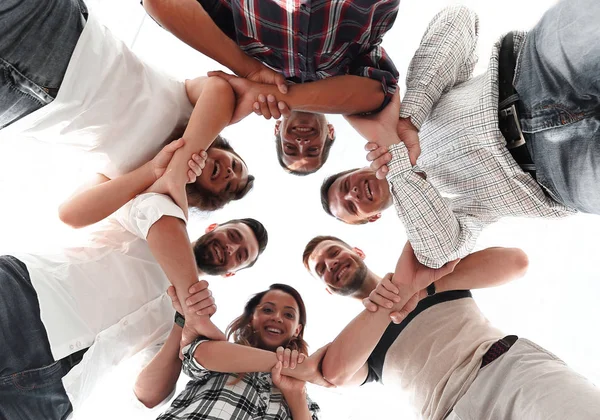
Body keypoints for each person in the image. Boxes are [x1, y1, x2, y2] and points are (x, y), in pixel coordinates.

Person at [0, 144, 268, 420]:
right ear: (214, 227)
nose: (231, 249)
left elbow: (147, 397)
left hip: (55, 393)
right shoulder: (165, 213)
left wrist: (182, 321)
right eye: (234, 236)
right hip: (24, 301)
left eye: (242, 255)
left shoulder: (188, 321)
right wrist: (191, 305)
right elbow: (154, 211)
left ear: (231, 273)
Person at [322, 2, 600, 268]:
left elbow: (459, 19)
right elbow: (441, 252)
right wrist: (399, 170)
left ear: (356, 170)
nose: (354, 194)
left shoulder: (411, 113)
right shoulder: (434, 217)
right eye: (351, 206)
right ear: (371, 218)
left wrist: (410, 118)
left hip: (536, 69)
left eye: (347, 186)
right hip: (563, 171)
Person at [0, 0, 254, 216]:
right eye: (237, 165)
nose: (230, 173)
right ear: (227, 149)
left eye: (229, 186)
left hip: (24, 106)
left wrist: (155, 172)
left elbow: (71, 214)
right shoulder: (191, 110)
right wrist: (178, 169)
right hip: (65, 34)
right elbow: (220, 89)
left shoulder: (147, 185)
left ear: (210, 196)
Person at [303, 236, 600, 419]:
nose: (331, 264)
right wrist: (394, 297)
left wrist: (423, 288)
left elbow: (516, 262)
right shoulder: (358, 341)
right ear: (327, 290)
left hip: (509, 372)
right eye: (321, 269)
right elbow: (334, 374)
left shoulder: (428, 276)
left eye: (332, 253)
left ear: (357, 250)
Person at [142, 0, 400, 175]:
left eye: (290, 147)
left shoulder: (243, 47)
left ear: (277, 128)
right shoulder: (347, 73)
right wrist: (282, 96)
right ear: (329, 132)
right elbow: (379, 90)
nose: (301, 142)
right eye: (312, 149)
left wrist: (250, 69)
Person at [135, 283, 328, 419]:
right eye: (268, 310)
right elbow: (200, 354)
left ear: (297, 330)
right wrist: (295, 368)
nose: (277, 317)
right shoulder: (222, 352)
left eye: (288, 314)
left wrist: (295, 393)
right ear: (252, 318)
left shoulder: (305, 400)